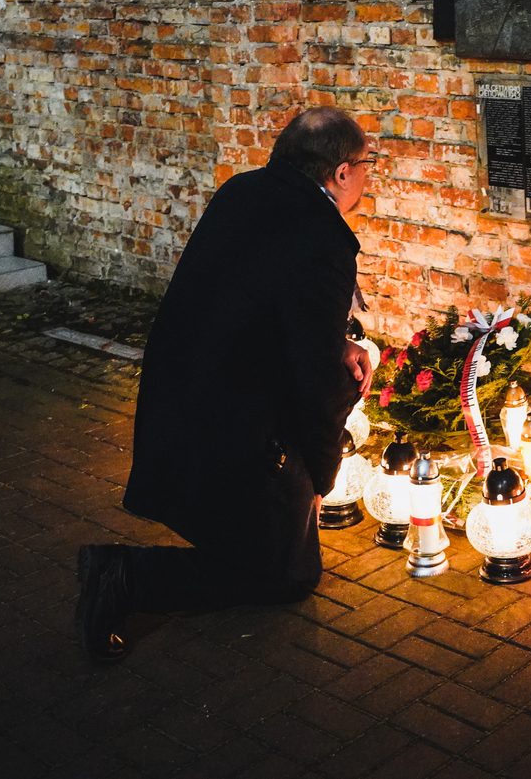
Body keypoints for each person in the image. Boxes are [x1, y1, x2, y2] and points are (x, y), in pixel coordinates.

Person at [74, 106, 376, 662]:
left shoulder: (243, 191)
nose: (366, 177)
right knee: (288, 576)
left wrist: (333, 340)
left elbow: (255, 298)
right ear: (339, 173)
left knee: (278, 552)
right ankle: (126, 577)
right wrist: (322, 472)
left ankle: (226, 535)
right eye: (365, 165)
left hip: (179, 394)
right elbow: (315, 380)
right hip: (237, 429)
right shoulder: (325, 237)